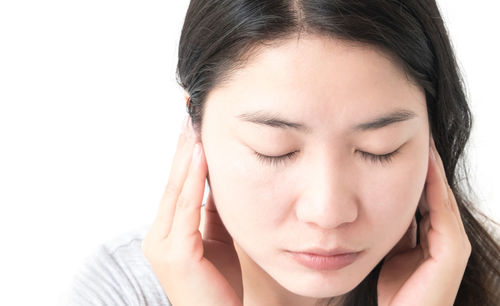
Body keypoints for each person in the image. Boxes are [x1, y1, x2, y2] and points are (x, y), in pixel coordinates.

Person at [65, 0, 500, 305]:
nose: (328, 211)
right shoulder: (122, 292)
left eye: (378, 149)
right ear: (194, 127)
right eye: (274, 150)